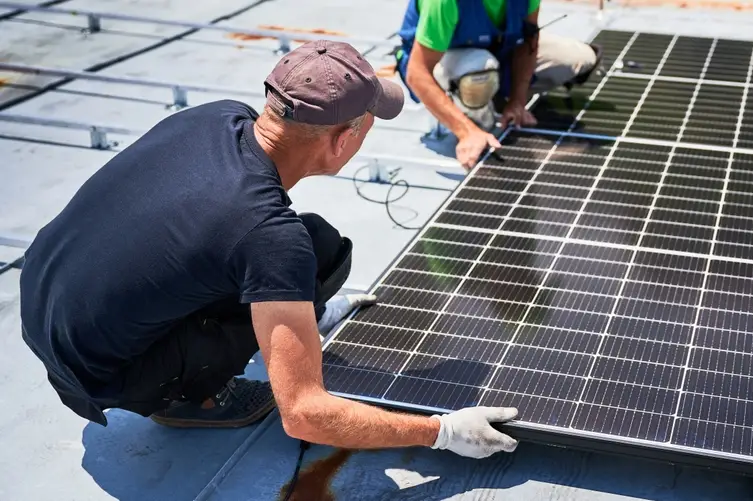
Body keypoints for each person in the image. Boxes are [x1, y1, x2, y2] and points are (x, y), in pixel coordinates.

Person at [19, 40, 519, 459]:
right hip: (98, 371)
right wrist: (441, 432)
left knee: (317, 246)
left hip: (44, 304)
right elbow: (305, 415)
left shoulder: (218, 117)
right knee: (295, 256)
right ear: (342, 142)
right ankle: (192, 399)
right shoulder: (267, 234)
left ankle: (276, 324)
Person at [395, 0, 602, 168]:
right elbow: (417, 73)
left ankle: (494, 95)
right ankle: (473, 114)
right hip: (439, 56)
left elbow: (529, 43)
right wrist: (466, 132)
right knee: (479, 72)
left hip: (499, 46)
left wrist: (517, 100)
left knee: (581, 59)